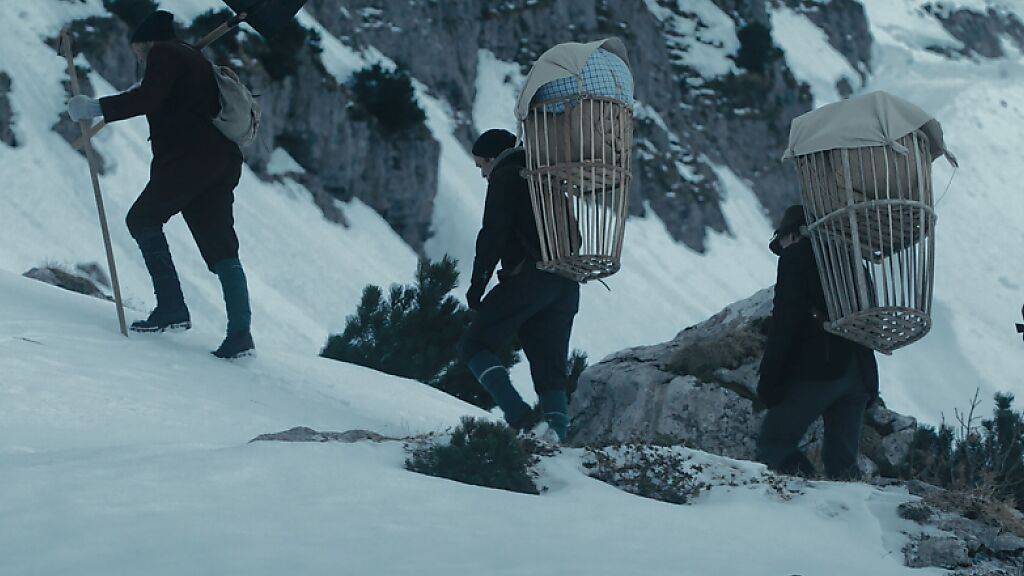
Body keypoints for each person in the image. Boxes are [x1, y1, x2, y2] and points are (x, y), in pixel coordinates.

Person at [67, 10, 253, 359]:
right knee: (222, 248)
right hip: (220, 161)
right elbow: (157, 96)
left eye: (137, 51)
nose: (138, 58)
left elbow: (148, 99)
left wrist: (95, 107)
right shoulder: (189, 56)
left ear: (144, 43)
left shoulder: (164, 54)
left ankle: (171, 307)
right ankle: (240, 336)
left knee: (142, 219)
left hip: (190, 161)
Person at [457, 129, 580, 443]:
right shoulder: (546, 176)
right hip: (566, 282)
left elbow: (493, 235)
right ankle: (558, 437)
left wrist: (477, 285)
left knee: (475, 345)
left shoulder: (507, 176)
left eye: (481, 166)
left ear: (492, 157)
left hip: (529, 279)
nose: (483, 174)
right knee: (550, 368)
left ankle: (521, 419)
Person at [755, 204, 879, 479]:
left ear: (796, 233)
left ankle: (804, 504)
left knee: (773, 445)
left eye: (782, 239)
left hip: (820, 369)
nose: (782, 247)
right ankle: (848, 518)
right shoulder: (851, 257)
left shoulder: (798, 256)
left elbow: (785, 321)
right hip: (860, 371)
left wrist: (769, 380)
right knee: (843, 466)